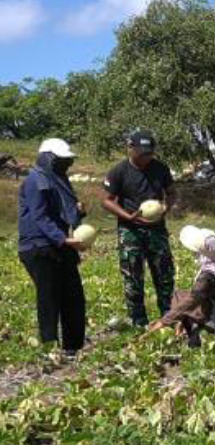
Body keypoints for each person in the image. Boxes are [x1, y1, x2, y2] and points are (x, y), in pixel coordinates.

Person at [17, 138, 89, 360]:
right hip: (38, 246)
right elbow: (40, 216)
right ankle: (50, 350)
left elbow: (63, 214)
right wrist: (63, 239)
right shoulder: (35, 180)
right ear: (47, 157)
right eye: (60, 160)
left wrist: (79, 213)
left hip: (58, 244)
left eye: (67, 161)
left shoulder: (59, 180)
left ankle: (73, 348)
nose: (65, 164)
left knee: (73, 297)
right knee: (49, 298)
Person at [101, 130, 177, 327]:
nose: (146, 157)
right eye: (142, 153)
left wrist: (167, 207)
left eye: (149, 153)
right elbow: (107, 201)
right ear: (131, 149)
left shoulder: (161, 168)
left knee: (164, 274)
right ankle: (138, 320)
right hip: (130, 230)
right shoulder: (119, 171)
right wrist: (127, 216)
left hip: (156, 229)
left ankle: (168, 317)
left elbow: (171, 192)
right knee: (133, 276)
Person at [145, 226, 215, 346]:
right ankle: (183, 328)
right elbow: (193, 298)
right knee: (179, 295)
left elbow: (191, 301)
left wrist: (163, 322)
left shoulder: (207, 277)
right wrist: (180, 319)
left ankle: (193, 334)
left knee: (194, 334)